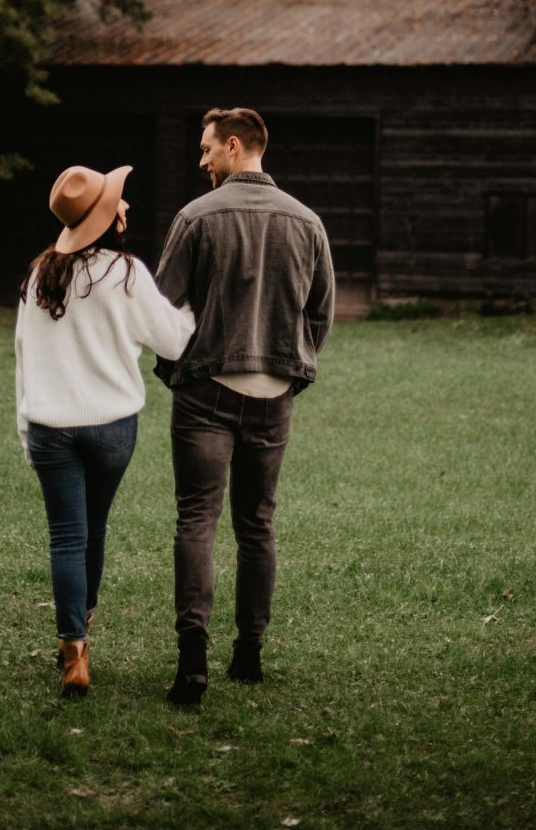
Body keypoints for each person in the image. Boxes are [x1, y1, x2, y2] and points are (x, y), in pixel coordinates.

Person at [153, 107, 335, 705]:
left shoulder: (195, 217)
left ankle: (192, 663)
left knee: (195, 522)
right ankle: (249, 654)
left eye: (207, 149)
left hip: (205, 393)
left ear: (235, 147)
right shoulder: (308, 222)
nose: (202, 160)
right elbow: (321, 314)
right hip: (273, 398)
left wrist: (177, 370)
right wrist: (290, 369)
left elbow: (161, 310)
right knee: (257, 525)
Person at [16, 164, 195, 697]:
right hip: (112, 427)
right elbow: (175, 342)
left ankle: (74, 650)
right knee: (93, 529)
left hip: (49, 426)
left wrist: (25, 432)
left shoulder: (38, 275)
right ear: (103, 217)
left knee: (65, 536)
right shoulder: (127, 274)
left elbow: (23, 359)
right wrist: (193, 305)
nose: (126, 207)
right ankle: (83, 621)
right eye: (118, 202)